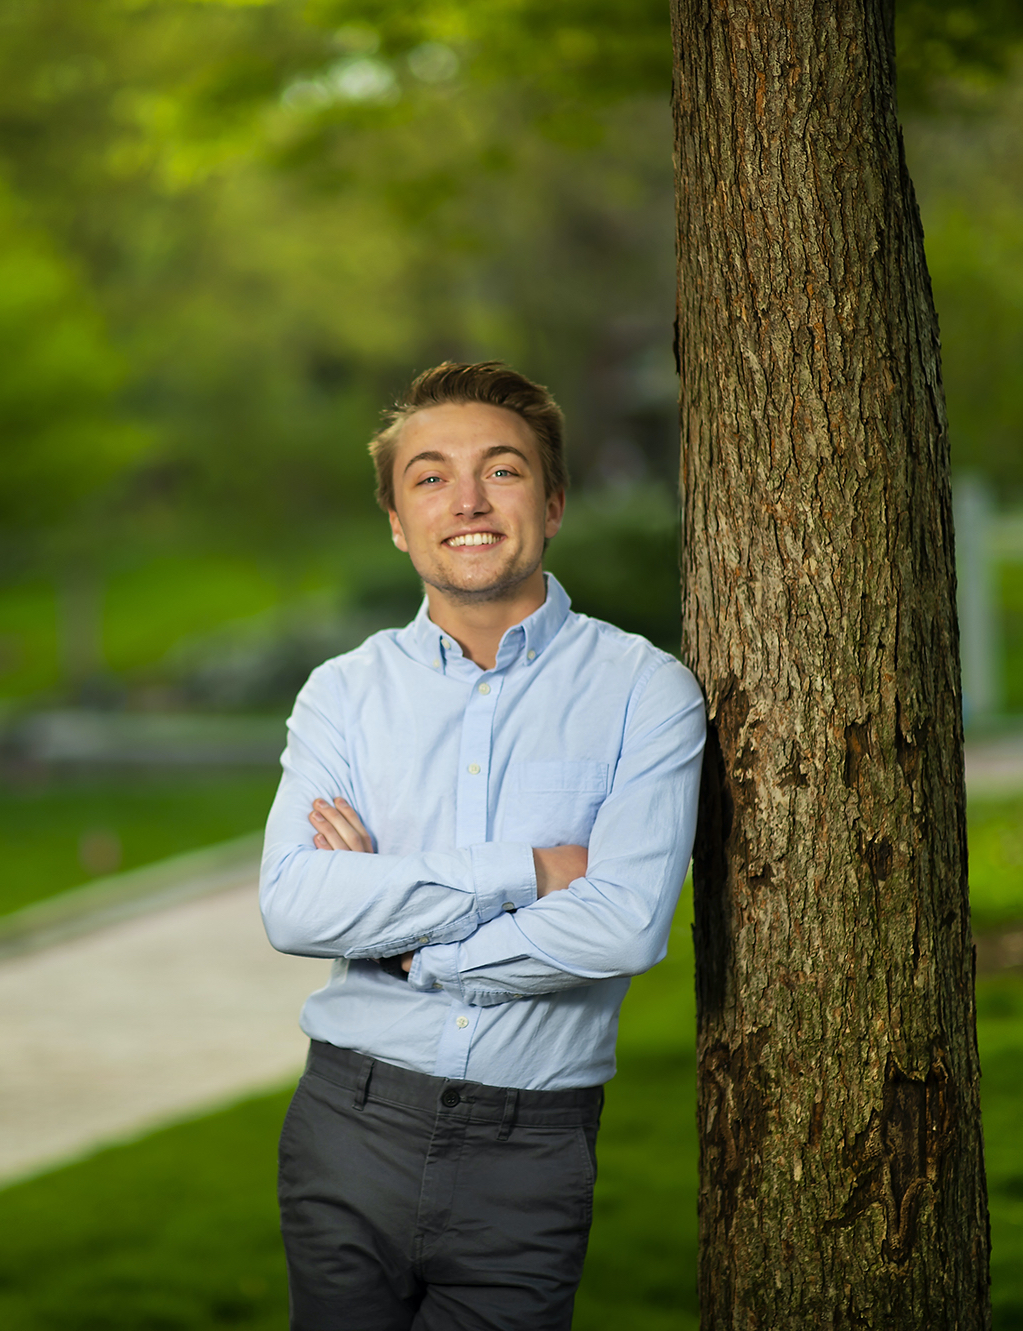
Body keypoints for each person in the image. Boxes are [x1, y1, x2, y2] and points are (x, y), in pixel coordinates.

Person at [259, 360, 706, 1330]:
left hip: (529, 1146)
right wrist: (532, 872)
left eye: (499, 471)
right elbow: (293, 901)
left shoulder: (645, 690)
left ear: (550, 502)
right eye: (427, 476)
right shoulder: (342, 693)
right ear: (393, 517)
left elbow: (625, 925)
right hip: (347, 1123)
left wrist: (410, 938)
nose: (464, 499)